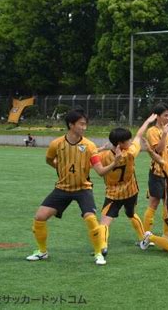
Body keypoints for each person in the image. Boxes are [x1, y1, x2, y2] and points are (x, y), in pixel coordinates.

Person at [26, 109, 122, 266]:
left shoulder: (90, 146)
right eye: (81, 124)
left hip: (83, 188)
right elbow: (49, 159)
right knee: (40, 217)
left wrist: (115, 163)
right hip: (62, 188)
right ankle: (42, 252)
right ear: (71, 124)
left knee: (91, 218)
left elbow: (100, 171)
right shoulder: (56, 144)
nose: (84, 127)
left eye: (85, 124)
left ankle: (98, 253)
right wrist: (60, 168)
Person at [98, 114, 157, 255]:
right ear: (120, 143)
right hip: (131, 191)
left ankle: (102, 247)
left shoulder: (103, 156)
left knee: (105, 222)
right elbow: (139, 136)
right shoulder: (131, 153)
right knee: (131, 214)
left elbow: (90, 160)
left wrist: (99, 150)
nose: (130, 141)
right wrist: (147, 121)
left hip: (113, 194)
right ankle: (143, 238)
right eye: (127, 140)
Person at [143, 103, 168, 235]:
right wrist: (165, 134)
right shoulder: (152, 131)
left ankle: (167, 234)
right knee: (154, 203)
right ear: (157, 117)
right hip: (158, 172)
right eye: (166, 115)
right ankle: (146, 235)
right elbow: (157, 151)